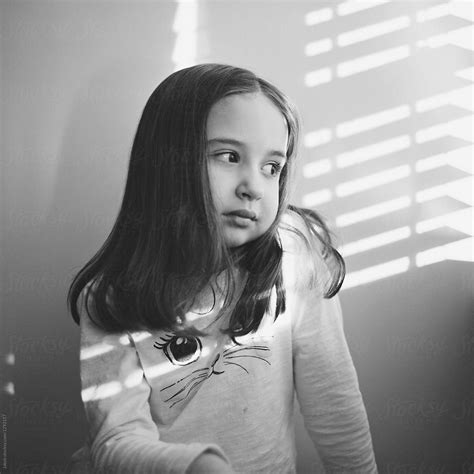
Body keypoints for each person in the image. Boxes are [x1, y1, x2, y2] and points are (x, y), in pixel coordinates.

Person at [68, 63, 378, 473]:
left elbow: (334, 403)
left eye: (272, 167)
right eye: (229, 156)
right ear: (168, 163)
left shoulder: (295, 255)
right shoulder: (112, 295)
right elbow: (117, 438)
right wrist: (196, 467)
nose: (253, 185)